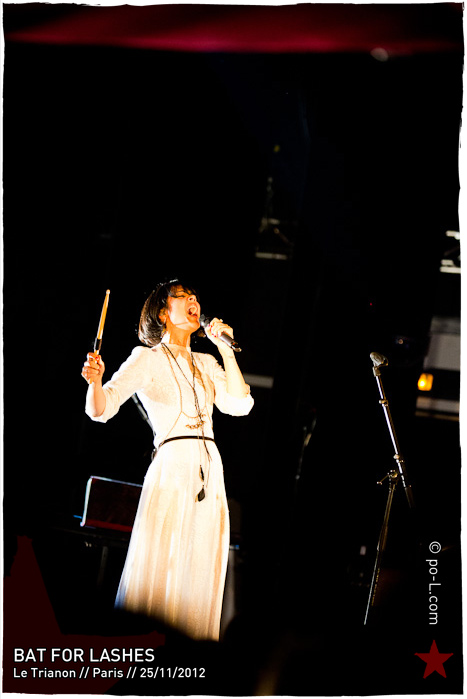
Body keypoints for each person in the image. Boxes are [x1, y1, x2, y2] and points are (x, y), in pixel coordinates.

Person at [81, 280, 254, 641]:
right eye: (183, 296)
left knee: (199, 567)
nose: (193, 301)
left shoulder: (206, 362)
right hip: (172, 467)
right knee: (165, 561)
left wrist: (226, 350)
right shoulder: (147, 358)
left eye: (195, 297)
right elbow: (101, 409)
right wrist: (94, 382)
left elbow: (240, 404)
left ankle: (192, 659)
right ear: (163, 313)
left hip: (209, 471)